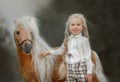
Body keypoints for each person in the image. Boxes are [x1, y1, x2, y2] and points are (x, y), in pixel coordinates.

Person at [39, 13, 92, 82]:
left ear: (83, 27)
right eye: (72, 25)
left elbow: (88, 57)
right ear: (68, 27)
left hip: (81, 68)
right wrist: (48, 53)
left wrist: (89, 73)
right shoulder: (67, 39)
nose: (75, 27)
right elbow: (61, 50)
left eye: (78, 24)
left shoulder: (84, 41)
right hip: (69, 68)